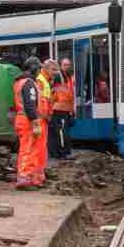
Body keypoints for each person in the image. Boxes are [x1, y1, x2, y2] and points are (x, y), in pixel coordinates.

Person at [12, 58, 44, 190]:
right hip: (27, 120)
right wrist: (35, 123)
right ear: (33, 68)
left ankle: (26, 177)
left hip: (22, 119)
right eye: (38, 69)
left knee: (26, 149)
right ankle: (24, 179)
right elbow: (30, 105)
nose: (39, 71)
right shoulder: (29, 83)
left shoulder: (19, 82)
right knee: (27, 150)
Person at [51, 58, 76, 160]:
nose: (67, 67)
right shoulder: (58, 76)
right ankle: (62, 153)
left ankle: (64, 152)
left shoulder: (68, 76)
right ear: (61, 65)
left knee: (63, 131)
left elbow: (69, 94)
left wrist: (72, 110)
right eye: (65, 65)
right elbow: (52, 91)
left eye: (69, 65)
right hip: (59, 109)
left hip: (65, 109)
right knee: (62, 131)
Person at [36, 59, 57, 172]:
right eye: (53, 69)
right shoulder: (41, 80)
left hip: (43, 118)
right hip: (41, 118)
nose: (55, 72)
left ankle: (40, 172)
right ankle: (38, 172)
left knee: (42, 146)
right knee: (40, 147)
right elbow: (39, 102)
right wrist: (46, 115)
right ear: (46, 68)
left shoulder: (45, 80)